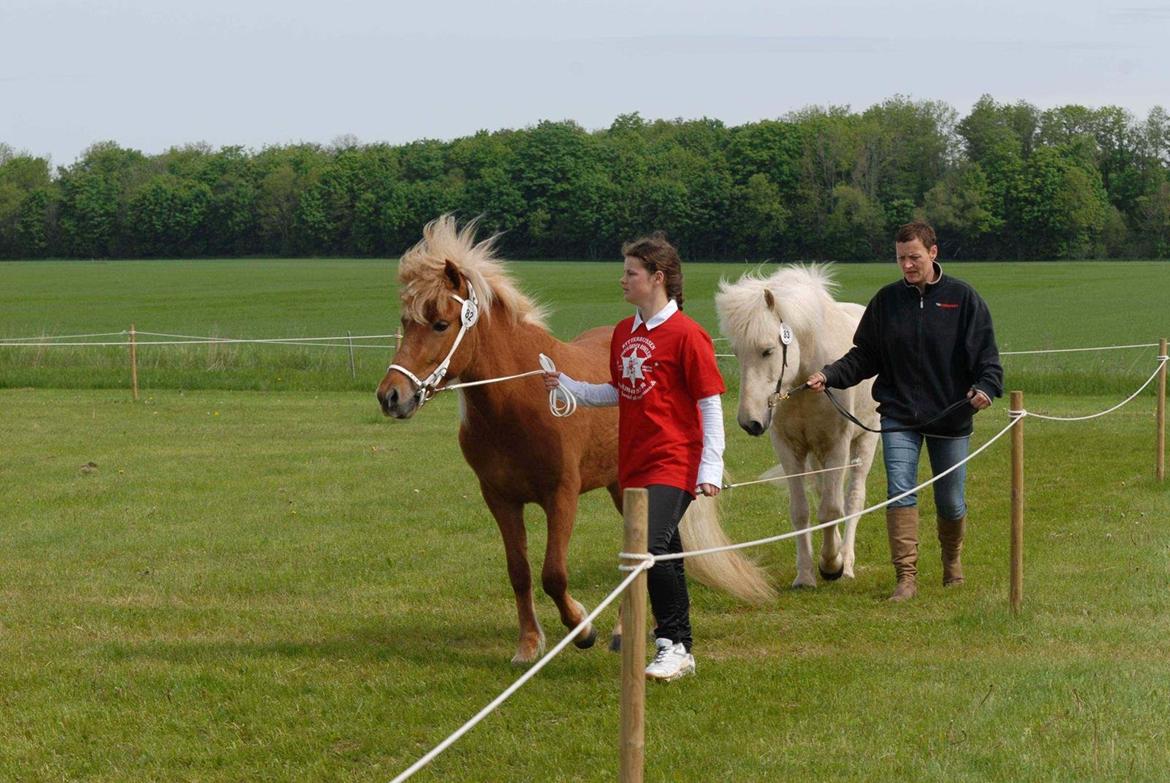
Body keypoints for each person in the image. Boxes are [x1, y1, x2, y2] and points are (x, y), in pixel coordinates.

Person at [543, 233, 726, 681]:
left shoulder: (688, 335)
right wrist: (568, 386)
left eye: (631, 272)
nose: (621, 279)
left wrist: (711, 466)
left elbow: (709, 403)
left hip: (675, 460)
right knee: (666, 553)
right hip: (635, 463)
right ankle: (682, 645)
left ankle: (669, 645)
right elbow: (620, 391)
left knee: (648, 548)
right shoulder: (626, 331)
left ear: (657, 278)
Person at [805, 221, 1003, 602]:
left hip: (951, 414)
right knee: (900, 491)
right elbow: (865, 355)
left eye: (914, 257)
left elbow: (987, 359)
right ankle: (906, 577)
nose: (907, 265)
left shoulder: (963, 299)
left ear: (933, 252)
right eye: (900, 259)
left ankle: (952, 563)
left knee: (951, 500)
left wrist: (986, 388)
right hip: (899, 416)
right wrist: (829, 375)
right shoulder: (887, 302)